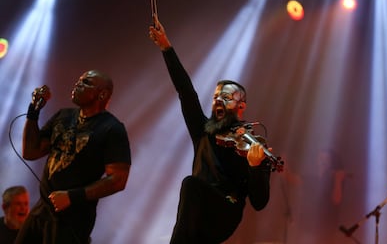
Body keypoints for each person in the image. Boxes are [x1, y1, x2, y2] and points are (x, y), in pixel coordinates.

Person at [149, 15, 275, 244]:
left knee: (191, 185)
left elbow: (259, 203)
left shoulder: (254, 145)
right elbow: (186, 93)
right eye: (216, 96)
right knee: (192, 188)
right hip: (198, 211)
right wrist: (167, 48)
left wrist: (256, 168)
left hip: (226, 210)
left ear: (241, 106)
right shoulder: (203, 130)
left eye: (226, 97)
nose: (218, 100)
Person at [15, 70, 131, 244]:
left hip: (72, 219)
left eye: (86, 82)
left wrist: (72, 196)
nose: (78, 84)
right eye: (79, 80)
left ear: (102, 94)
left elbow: (118, 179)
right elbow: (31, 151)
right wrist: (33, 112)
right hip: (42, 210)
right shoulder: (64, 116)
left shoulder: (112, 128)